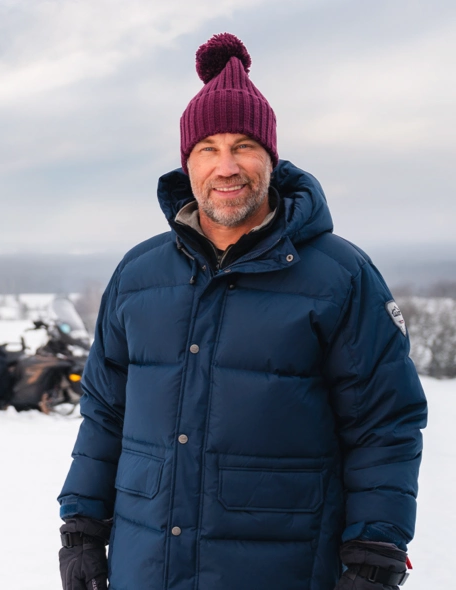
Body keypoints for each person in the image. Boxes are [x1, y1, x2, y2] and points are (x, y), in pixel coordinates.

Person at [57, 33, 427, 590]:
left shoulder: (341, 277)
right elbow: (105, 414)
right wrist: (82, 530)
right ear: (188, 163)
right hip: (146, 567)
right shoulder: (137, 277)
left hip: (282, 568)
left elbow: (384, 427)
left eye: (243, 146)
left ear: (271, 159)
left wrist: (375, 558)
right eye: (208, 148)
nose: (226, 166)